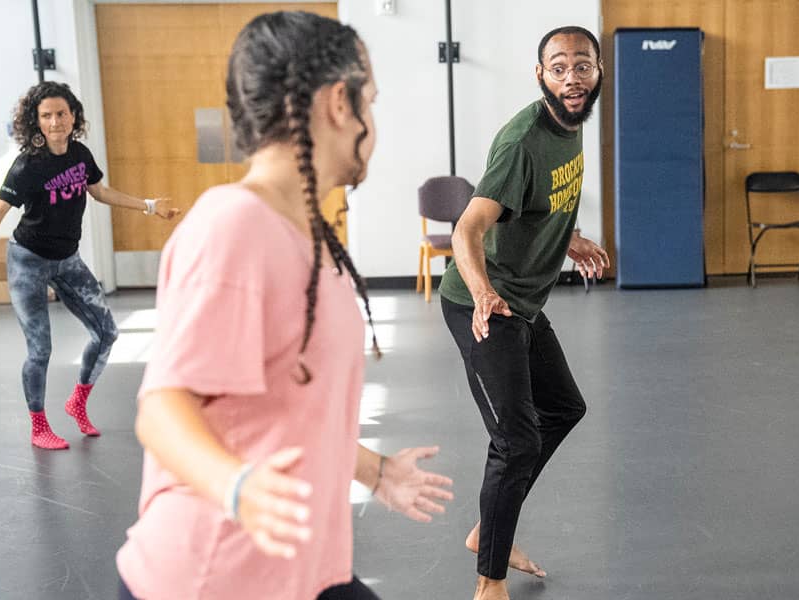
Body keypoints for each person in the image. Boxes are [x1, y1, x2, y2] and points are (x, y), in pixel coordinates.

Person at [115, 11, 453, 600]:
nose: (373, 121)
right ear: (337, 104)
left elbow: (288, 409)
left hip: (299, 571)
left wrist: (376, 473)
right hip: (212, 577)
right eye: (368, 102)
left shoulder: (303, 233)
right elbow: (161, 407)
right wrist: (238, 488)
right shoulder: (235, 226)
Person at [438, 26, 611, 600]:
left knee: (563, 408)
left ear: (597, 70)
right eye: (558, 67)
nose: (571, 77)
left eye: (581, 65)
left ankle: (491, 527)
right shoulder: (523, 141)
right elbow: (467, 227)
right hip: (480, 303)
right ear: (540, 75)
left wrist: (572, 238)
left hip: (523, 302)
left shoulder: (573, 124)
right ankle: (489, 582)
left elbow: (539, 206)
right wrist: (485, 292)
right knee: (516, 440)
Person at [0, 81, 179, 450]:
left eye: (61, 114)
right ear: (35, 121)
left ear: (73, 116)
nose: (55, 122)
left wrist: (148, 205)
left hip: (67, 260)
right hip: (28, 263)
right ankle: (39, 426)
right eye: (46, 116)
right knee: (40, 349)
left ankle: (77, 402)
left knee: (107, 332)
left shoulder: (79, 154)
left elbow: (98, 191)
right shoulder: (27, 167)